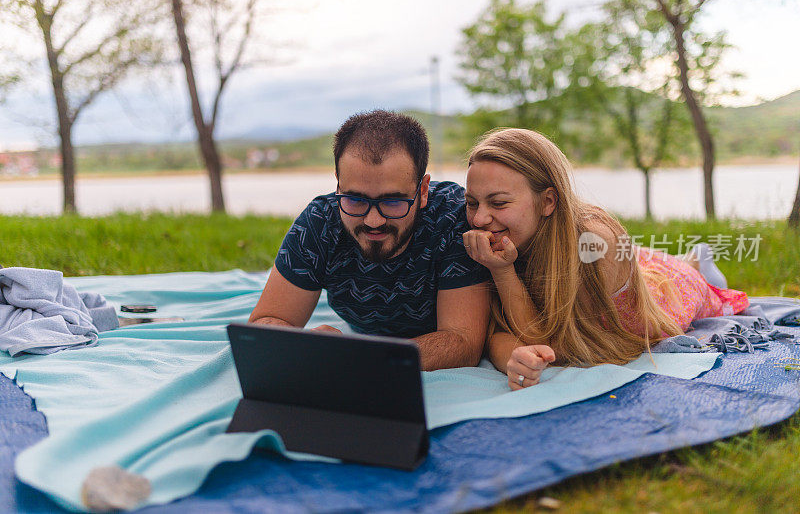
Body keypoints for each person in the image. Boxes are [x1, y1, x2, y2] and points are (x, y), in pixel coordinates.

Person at [461, 128, 749, 389]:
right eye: (471, 203)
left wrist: (503, 272)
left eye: (498, 203)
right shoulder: (497, 239)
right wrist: (514, 355)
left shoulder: (595, 242)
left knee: (692, 282)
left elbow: (551, 343)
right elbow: (497, 332)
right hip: (627, 263)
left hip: (660, 290)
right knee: (642, 259)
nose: (479, 218)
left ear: (548, 201)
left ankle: (697, 262)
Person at [249, 110, 491, 371]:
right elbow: (265, 323)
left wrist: (360, 359)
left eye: (393, 201)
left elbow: (463, 343)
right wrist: (304, 344)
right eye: (355, 199)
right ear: (338, 185)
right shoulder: (319, 222)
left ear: (422, 191)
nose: (373, 221)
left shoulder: (454, 221)